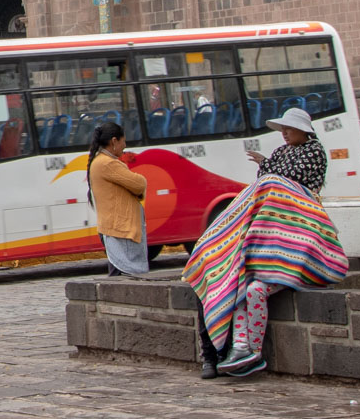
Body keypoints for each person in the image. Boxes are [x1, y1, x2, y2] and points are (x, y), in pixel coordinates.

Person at [186, 107, 344, 380]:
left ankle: (251, 352)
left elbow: (283, 178)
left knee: (256, 289)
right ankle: (239, 349)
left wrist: (265, 165)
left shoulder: (312, 152)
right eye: (282, 129)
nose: (283, 133)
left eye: (288, 129)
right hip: (276, 239)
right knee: (241, 287)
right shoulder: (281, 155)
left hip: (298, 236)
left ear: (303, 131)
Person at [86, 120, 149, 277]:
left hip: (116, 228)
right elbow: (139, 183)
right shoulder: (107, 164)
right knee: (124, 276)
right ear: (114, 141)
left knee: (118, 275)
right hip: (120, 230)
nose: (125, 145)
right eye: (123, 141)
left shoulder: (101, 162)